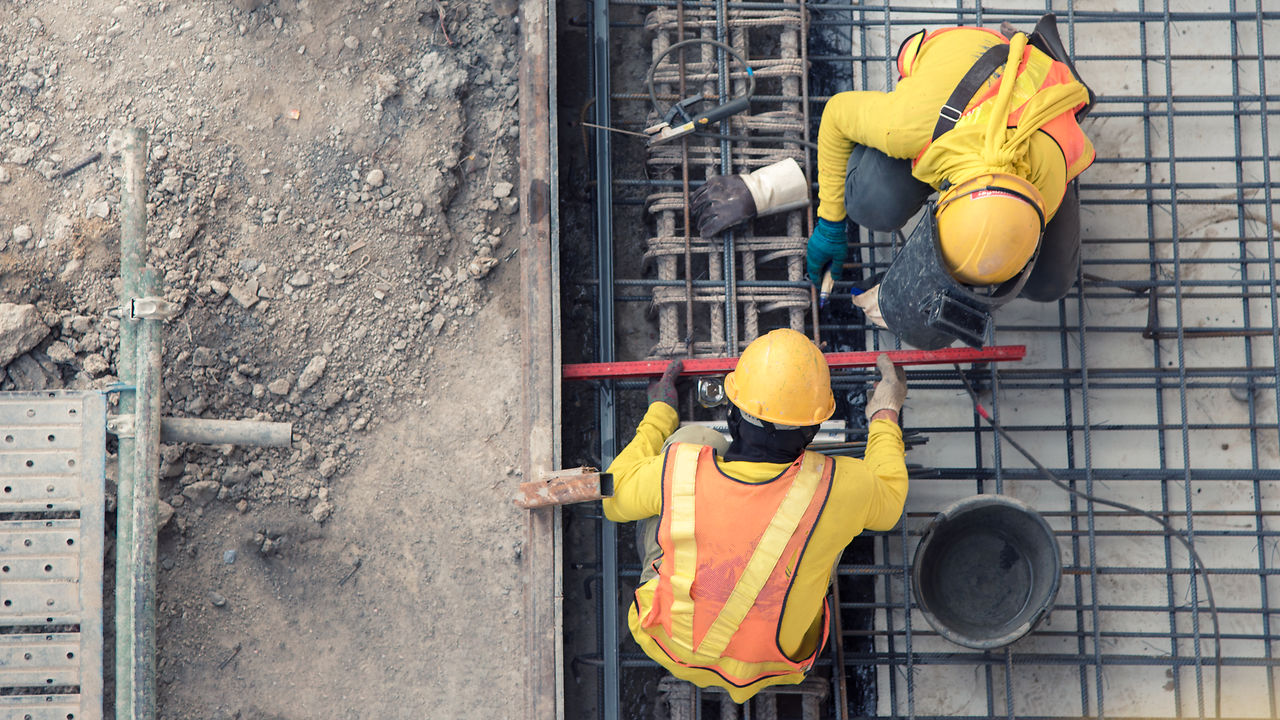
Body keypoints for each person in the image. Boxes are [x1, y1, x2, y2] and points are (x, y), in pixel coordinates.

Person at [603, 329, 909, 702]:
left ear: (732, 416)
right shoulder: (840, 485)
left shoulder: (680, 470)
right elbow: (892, 500)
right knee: (828, 523)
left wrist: (661, 411)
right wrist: (885, 413)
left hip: (668, 642)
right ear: (813, 430)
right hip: (778, 664)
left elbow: (613, 497)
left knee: (694, 443)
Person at [805, 17, 1095, 347]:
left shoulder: (1051, 180)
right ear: (945, 200)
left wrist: (920, 295)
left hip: (1043, 108)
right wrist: (830, 221)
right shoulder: (909, 125)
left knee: (1049, 284)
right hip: (963, 66)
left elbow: (987, 249)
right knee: (869, 204)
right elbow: (835, 115)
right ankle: (1033, 49)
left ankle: (1052, 64)